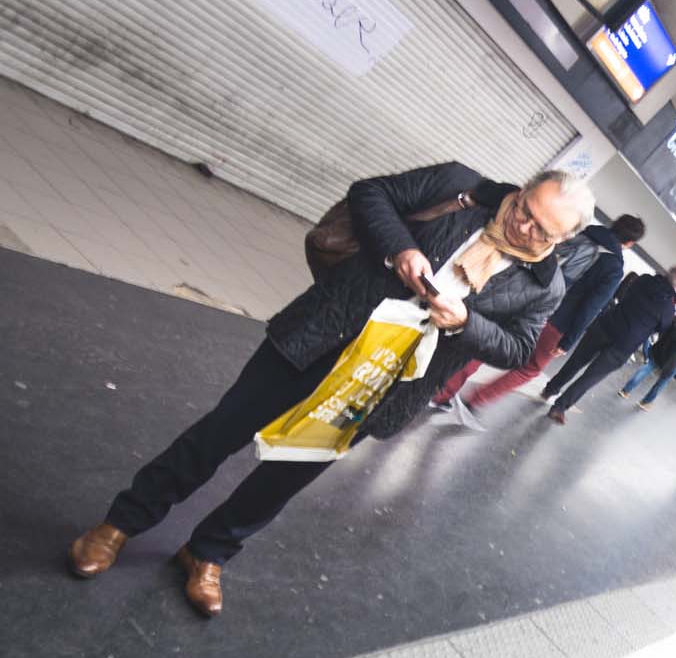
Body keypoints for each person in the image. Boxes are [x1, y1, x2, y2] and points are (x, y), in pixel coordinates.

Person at [67, 163, 591, 615]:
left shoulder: (545, 287)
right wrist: (402, 249)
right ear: (523, 188)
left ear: (564, 239)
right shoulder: (462, 186)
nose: (522, 225)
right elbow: (371, 193)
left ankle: (208, 553)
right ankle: (121, 523)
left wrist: (465, 323)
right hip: (326, 332)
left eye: (540, 229)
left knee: (287, 474)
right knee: (220, 432)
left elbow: (517, 348)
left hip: (379, 382)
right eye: (524, 207)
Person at [432, 213, 644, 424]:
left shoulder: (582, 234)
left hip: (527, 299)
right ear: (630, 242)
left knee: (488, 346)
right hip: (557, 320)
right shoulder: (614, 268)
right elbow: (591, 307)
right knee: (530, 368)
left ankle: (442, 392)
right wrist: (569, 340)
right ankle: (476, 400)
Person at [540, 267, 676, 424]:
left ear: (667, 272)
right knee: (590, 377)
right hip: (623, 345)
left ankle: (550, 389)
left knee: (575, 362)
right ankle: (559, 408)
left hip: (605, 325)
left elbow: (626, 293)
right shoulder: (668, 308)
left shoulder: (644, 279)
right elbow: (662, 328)